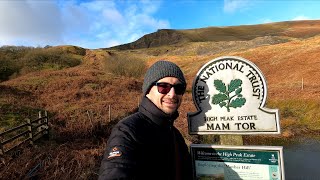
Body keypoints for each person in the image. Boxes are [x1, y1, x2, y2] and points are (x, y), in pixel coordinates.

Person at [98, 60, 193, 180]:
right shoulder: (127, 131)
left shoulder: (176, 136)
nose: (172, 94)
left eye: (178, 88)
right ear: (148, 91)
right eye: (164, 87)